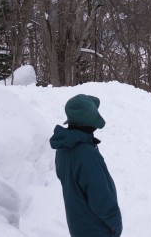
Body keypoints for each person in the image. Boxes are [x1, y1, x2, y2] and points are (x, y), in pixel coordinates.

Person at [50, 94, 123, 237]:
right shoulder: (86, 154)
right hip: (97, 230)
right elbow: (100, 198)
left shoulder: (63, 148)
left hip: (79, 227)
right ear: (88, 121)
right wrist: (116, 224)